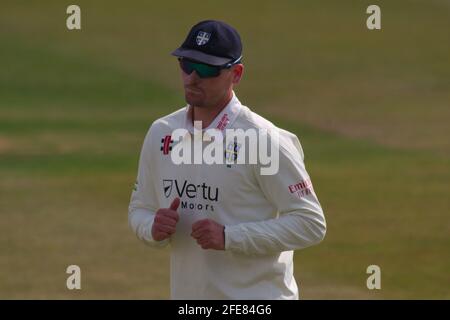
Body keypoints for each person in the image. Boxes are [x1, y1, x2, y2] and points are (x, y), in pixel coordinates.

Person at [128, 20, 326, 299]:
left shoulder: (264, 139)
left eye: (208, 68)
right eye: (187, 64)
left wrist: (229, 237)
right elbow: (140, 208)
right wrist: (152, 227)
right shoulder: (162, 133)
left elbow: (310, 223)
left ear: (236, 73)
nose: (193, 76)